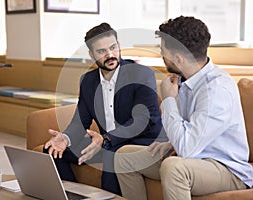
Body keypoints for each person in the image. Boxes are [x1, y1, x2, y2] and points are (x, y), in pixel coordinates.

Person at [114, 16, 253, 200]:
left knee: (173, 167)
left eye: (163, 52)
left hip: (226, 169)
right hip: (194, 158)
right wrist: (169, 144)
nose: (162, 56)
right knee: (123, 157)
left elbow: (187, 148)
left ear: (178, 59)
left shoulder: (216, 90)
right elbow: (189, 136)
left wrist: (168, 101)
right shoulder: (183, 80)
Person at [43, 22, 165, 195]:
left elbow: (142, 121)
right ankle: (72, 196)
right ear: (92, 55)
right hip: (105, 143)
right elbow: (80, 121)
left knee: (112, 157)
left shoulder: (141, 74)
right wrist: (66, 138)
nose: (110, 55)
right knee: (53, 150)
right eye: (101, 51)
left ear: (119, 46)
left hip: (139, 144)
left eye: (113, 47)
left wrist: (106, 139)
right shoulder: (88, 81)